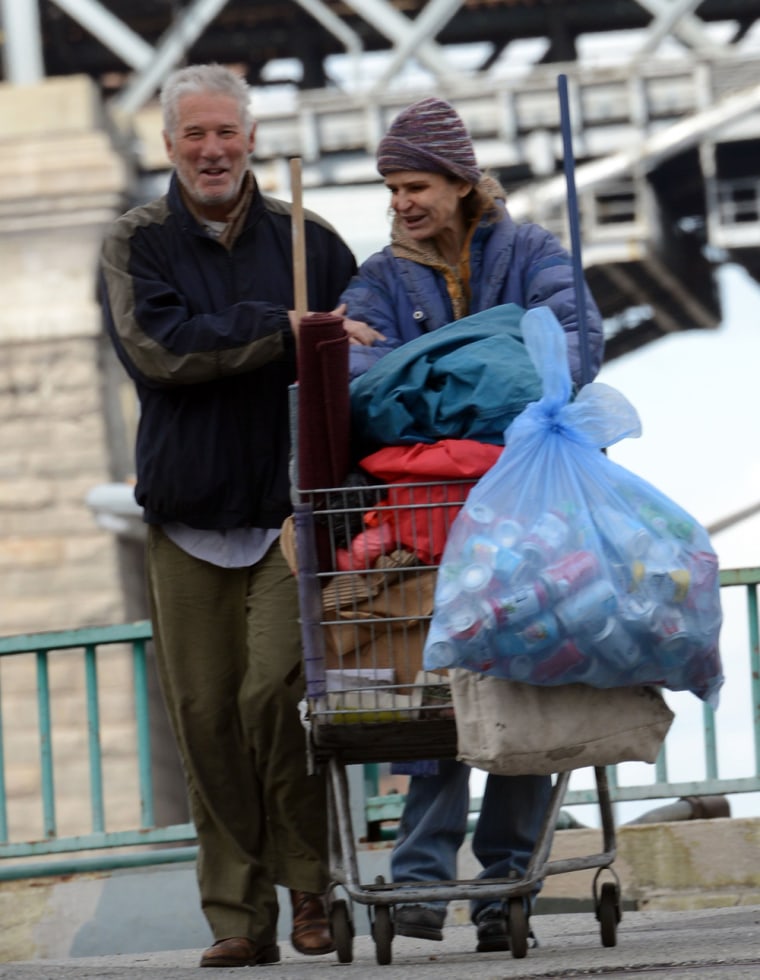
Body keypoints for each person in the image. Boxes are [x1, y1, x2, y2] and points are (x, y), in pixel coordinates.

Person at [98, 63, 378, 969]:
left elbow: (356, 366)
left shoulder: (314, 239)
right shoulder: (135, 244)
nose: (211, 150)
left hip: (287, 514)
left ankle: (309, 890)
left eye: (226, 132)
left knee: (274, 698)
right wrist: (284, 329)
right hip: (185, 517)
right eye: (194, 135)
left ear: (251, 138)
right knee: (205, 713)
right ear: (169, 144)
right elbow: (161, 352)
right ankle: (237, 918)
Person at [339, 96, 605, 952]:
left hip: (521, 509)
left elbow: (572, 350)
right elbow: (359, 379)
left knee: (522, 685)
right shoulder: (378, 273)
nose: (401, 204)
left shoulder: (532, 250)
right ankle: (423, 881)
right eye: (391, 190)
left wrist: (433, 386)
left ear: (459, 184)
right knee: (436, 694)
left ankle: (499, 883)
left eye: (414, 185)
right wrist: (493, 367)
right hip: (447, 514)